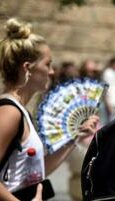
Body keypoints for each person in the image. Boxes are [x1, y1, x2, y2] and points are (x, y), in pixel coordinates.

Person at [0, 18, 99, 200]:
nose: (52, 72)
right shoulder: (9, 112)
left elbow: (35, 172)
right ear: (27, 68)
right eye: (47, 64)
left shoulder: (21, 112)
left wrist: (75, 136)